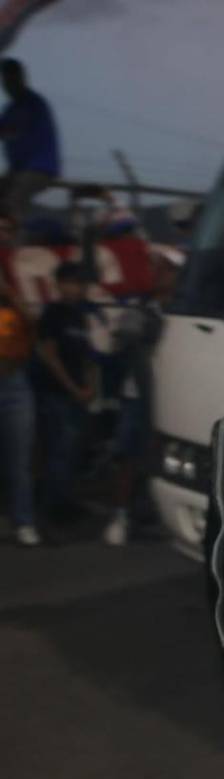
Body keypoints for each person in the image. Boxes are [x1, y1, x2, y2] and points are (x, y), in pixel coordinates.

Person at [102, 245, 178, 546]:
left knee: (160, 453)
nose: (161, 274)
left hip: (171, 392)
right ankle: (121, 515)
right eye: (159, 268)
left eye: (167, 269)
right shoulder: (139, 311)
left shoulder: (183, 310)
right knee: (129, 455)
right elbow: (121, 348)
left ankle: (153, 513)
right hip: (138, 395)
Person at [33, 260, 95, 522]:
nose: (76, 289)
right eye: (71, 283)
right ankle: (52, 508)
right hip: (56, 393)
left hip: (76, 393)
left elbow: (86, 356)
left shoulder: (79, 316)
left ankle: (65, 501)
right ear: (59, 285)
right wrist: (72, 388)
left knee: (71, 451)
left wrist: (89, 387)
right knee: (58, 450)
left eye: (80, 284)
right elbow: (50, 356)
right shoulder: (53, 314)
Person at [0, 279, 37, 545]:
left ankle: (22, 522)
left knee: (19, 463)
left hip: (15, 387)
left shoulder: (12, 310)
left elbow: (34, 324)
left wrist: (9, 293)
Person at [0, 58, 59, 222]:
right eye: (5, 80)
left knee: (15, 201)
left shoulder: (34, 104)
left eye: (12, 79)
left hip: (40, 168)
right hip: (19, 170)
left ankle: (16, 244)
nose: (8, 85)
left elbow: (13, 128)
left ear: (21, 79)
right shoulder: (10, 109)